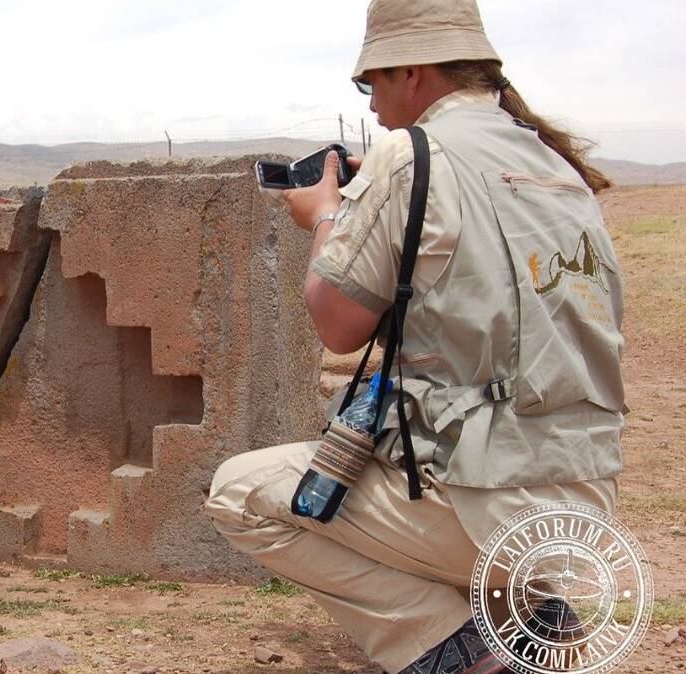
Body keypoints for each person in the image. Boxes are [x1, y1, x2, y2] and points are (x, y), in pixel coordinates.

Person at [206, 1, 623, 672]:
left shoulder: (409, 158)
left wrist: (326, 216)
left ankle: (468, 649)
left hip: (492, 503)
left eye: (371, 85)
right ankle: (532, 609)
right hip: (584, 499)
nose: (370, 107)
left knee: (237, 492)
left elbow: (338, 326)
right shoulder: (553, 161)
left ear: (414, 71)